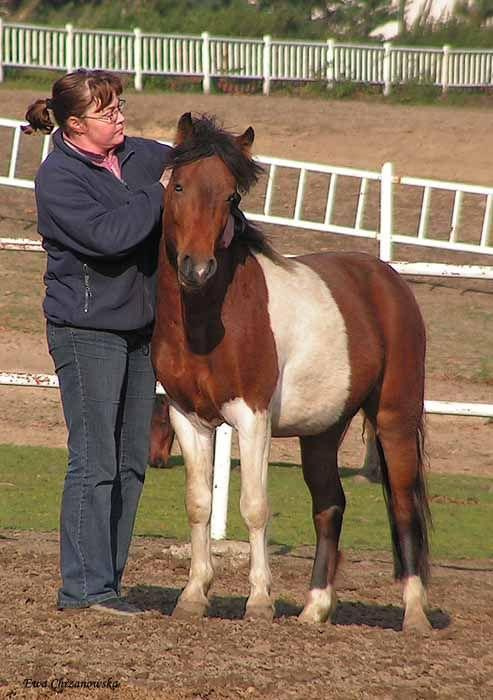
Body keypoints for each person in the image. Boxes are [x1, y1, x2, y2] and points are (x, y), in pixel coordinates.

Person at [24, 69, 172, 616]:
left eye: (121, 106)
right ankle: (82, 590)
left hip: (141, 329)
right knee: (94, 460)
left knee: (132, 459)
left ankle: (107, 584)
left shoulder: (141, 155)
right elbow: (111, 238)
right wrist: (158, 197)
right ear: (74, 124)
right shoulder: (58, 178)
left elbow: (190, 165)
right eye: (108, 113)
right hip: (86, 330)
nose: (121, 118)